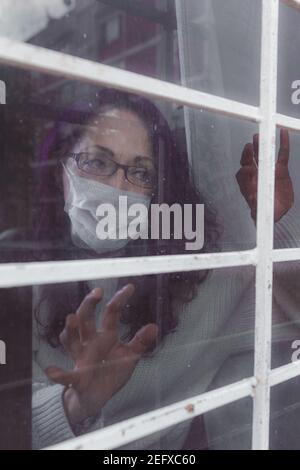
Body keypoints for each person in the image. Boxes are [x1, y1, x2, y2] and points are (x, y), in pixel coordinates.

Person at [32, 89, 300, 450]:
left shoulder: (204, 283)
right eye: (97, 162)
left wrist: (277, 220)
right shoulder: (16, 275)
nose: (117, 188)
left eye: (141, 172)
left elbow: (290, 308)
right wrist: (75, 406)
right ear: (58, 169)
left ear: (159, 193)